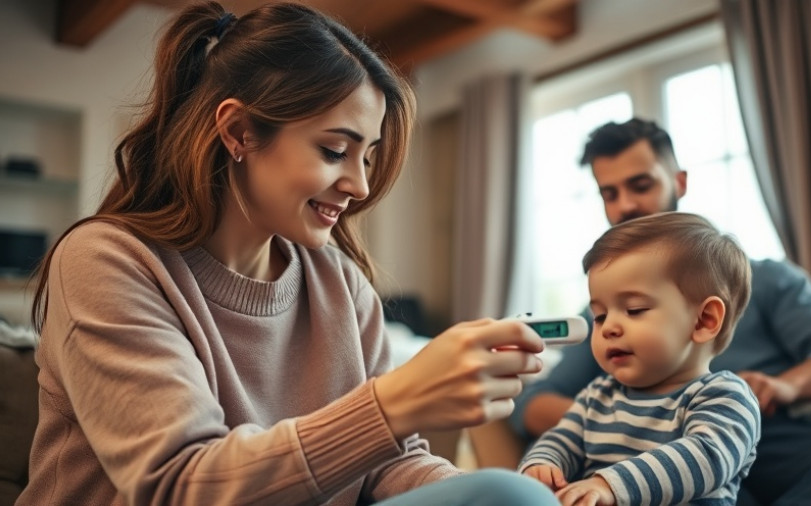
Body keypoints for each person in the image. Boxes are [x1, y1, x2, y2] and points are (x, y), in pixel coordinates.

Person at [17, 3, 559, 505]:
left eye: (367, 157)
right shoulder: (106, 261)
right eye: (334, 151)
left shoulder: (342, 284)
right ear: (238, 132)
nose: (361, 186)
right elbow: (179, 483)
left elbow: (391, 466)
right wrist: (394, 402)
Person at [510, 118, 811, 505]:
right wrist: (630, 421)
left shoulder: (766, 280)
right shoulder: (607, 323)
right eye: (609, 193)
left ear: (679, 182)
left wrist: (787, 385)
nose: (625, 204)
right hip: (646, 471)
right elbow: (534, 403)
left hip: (775, 445)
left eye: (640, 185)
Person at [520, 212, 760, 506]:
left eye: (634, 309)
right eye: (600, 315)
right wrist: (542, 465)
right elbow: (561, 439)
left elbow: (706, 457)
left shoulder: (724, 397)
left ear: (703, 321)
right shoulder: (597, 396)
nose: (609, 327)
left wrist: (610, 485)